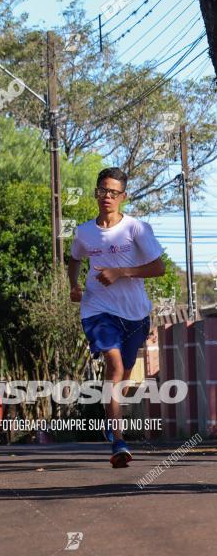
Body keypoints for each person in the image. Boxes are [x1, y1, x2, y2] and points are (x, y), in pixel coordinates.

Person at [68, 167, 165, 468]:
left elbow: (158, 268)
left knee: (122, 374)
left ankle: (112, 420)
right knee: (115, 365)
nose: (106, 197)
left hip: (134, 313)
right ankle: (118, 440)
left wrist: (122, 271)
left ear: (123, 196)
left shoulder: (137, 229)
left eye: (113, 192)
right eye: (102, 191)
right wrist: (73, 285)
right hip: (97, 309)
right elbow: (73, 259)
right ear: (95, 192)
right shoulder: (84, 231)